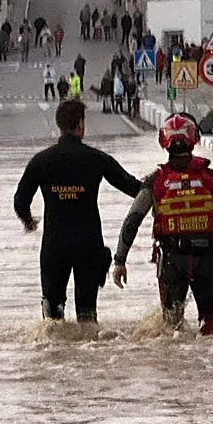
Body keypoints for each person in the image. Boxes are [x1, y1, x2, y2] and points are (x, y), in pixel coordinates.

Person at [111, 114, 213, 335]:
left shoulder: (155, 181)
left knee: (172, 330)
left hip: (173, 261)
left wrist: (120, 260)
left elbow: (132, 221)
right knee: (211, 326)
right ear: (194, 140)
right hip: (208, 260)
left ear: (164, 142)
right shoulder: (211, 178)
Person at [14, 99, 143, 323]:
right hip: (88, 244)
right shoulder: (96, 159)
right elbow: (132, 188)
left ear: (59, 125)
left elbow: (20, 200)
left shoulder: (41, 161)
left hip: (55, 244)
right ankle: (87, 354)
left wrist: (30, 222)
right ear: (80, 125)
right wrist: (159, 184)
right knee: (87, 315)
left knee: (53, 316)